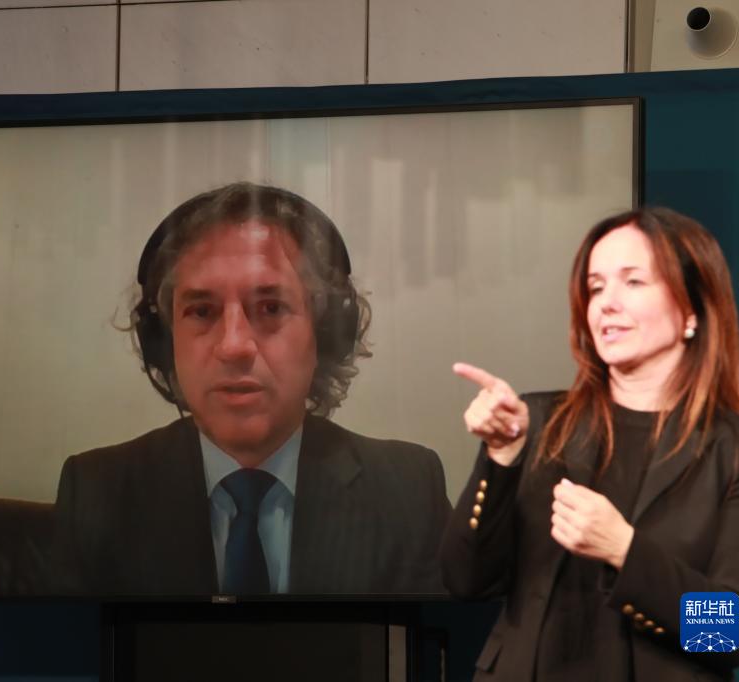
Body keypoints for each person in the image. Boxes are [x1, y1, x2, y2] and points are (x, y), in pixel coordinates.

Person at [50, 181, 450, 596]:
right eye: (201, 311)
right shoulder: (96, 492)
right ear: (165, 342)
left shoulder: (409, 491)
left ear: (326, 335)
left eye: (271, 308)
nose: (234, 346)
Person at [442, 207, 739, 681]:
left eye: (633, 282)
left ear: (692, 311)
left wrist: (624, 550)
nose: (606, 304)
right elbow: (465, 582)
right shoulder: (538, 422)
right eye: (596, 288)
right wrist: (502, 457)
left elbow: (733, 634)